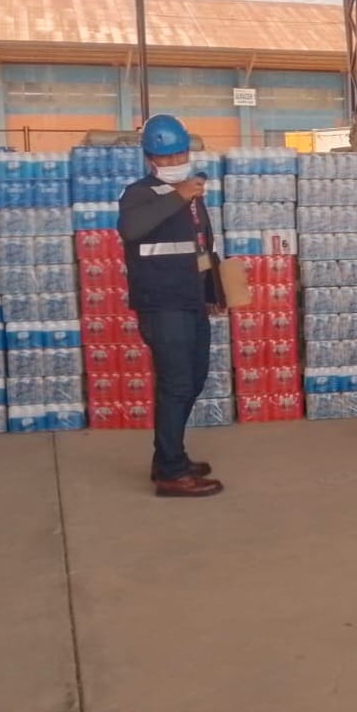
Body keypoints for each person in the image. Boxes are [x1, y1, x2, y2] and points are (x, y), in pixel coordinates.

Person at [118, 114, 225, 497]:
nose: (176, 161)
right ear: (150, 159)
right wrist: (178, 195)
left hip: (191, 299)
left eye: (181, 153)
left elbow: (201, 246)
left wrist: (213, 292)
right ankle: (171, 471)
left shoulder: (191, 194)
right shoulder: (139, 194)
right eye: (166, 156)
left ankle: (168, 454)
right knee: (177, 383)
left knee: (193, 379)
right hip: (162, 304)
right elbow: (132, 229)